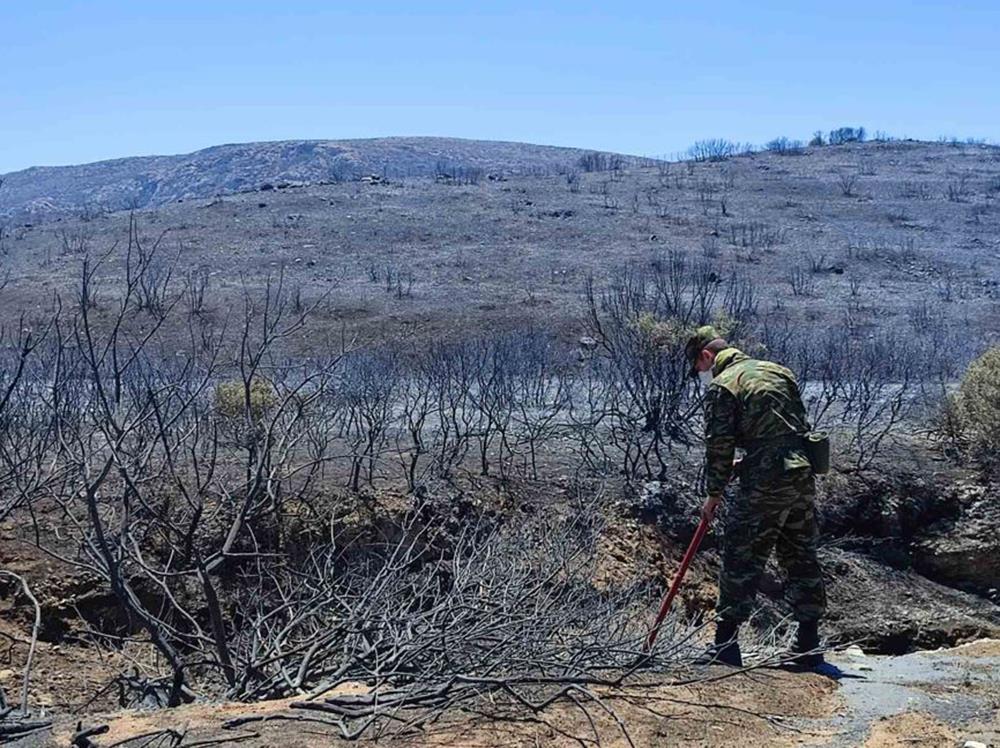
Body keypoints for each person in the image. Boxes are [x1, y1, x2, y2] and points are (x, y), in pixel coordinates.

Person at [684, 325, 826, 669]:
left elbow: (719, 445)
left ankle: (726, 645)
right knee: (800, 554)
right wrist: (753, 457)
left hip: (766, 480)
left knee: (742, 553)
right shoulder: (779, 371)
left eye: (700, 369)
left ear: (706, 356)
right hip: (802, 473)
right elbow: (789, 429)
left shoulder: (724, 385)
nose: (703, 375)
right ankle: (808, 644)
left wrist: (713, 494)